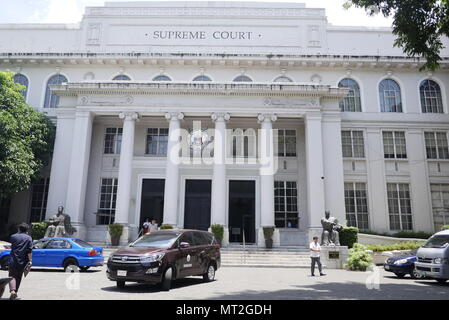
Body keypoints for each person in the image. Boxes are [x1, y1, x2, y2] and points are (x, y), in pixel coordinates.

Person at [8, 223, 33, 300]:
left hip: (13, 260)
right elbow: (29, 251)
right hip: (23, 261)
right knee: (19, 277)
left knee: (12, 276)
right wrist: (30, 260)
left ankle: (13, 291)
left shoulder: (13, 236)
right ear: (27, 230)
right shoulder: (29, 238)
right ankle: (15, 292)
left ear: (19, 229)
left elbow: (12, 246)